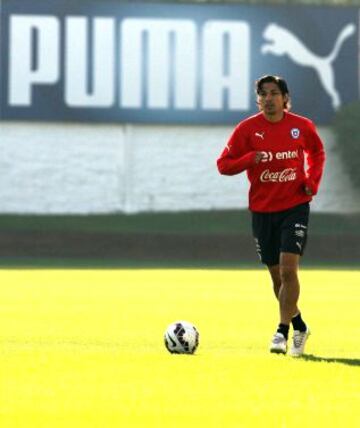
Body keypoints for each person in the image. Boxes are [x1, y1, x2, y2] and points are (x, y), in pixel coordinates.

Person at [217, 75, 325, 357]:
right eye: (263, 93)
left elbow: (317, 152)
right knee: (277, 277)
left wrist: (312, 181)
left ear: (285, 98)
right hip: (263, 210)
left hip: (295, 206)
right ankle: (300, 324)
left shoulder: (301, 126)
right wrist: (248, 159)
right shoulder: (247, 129)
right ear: (258, 99)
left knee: (289, 270)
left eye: (274, 93)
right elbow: (223, 165)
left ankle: (282, 332)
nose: (268, 98)